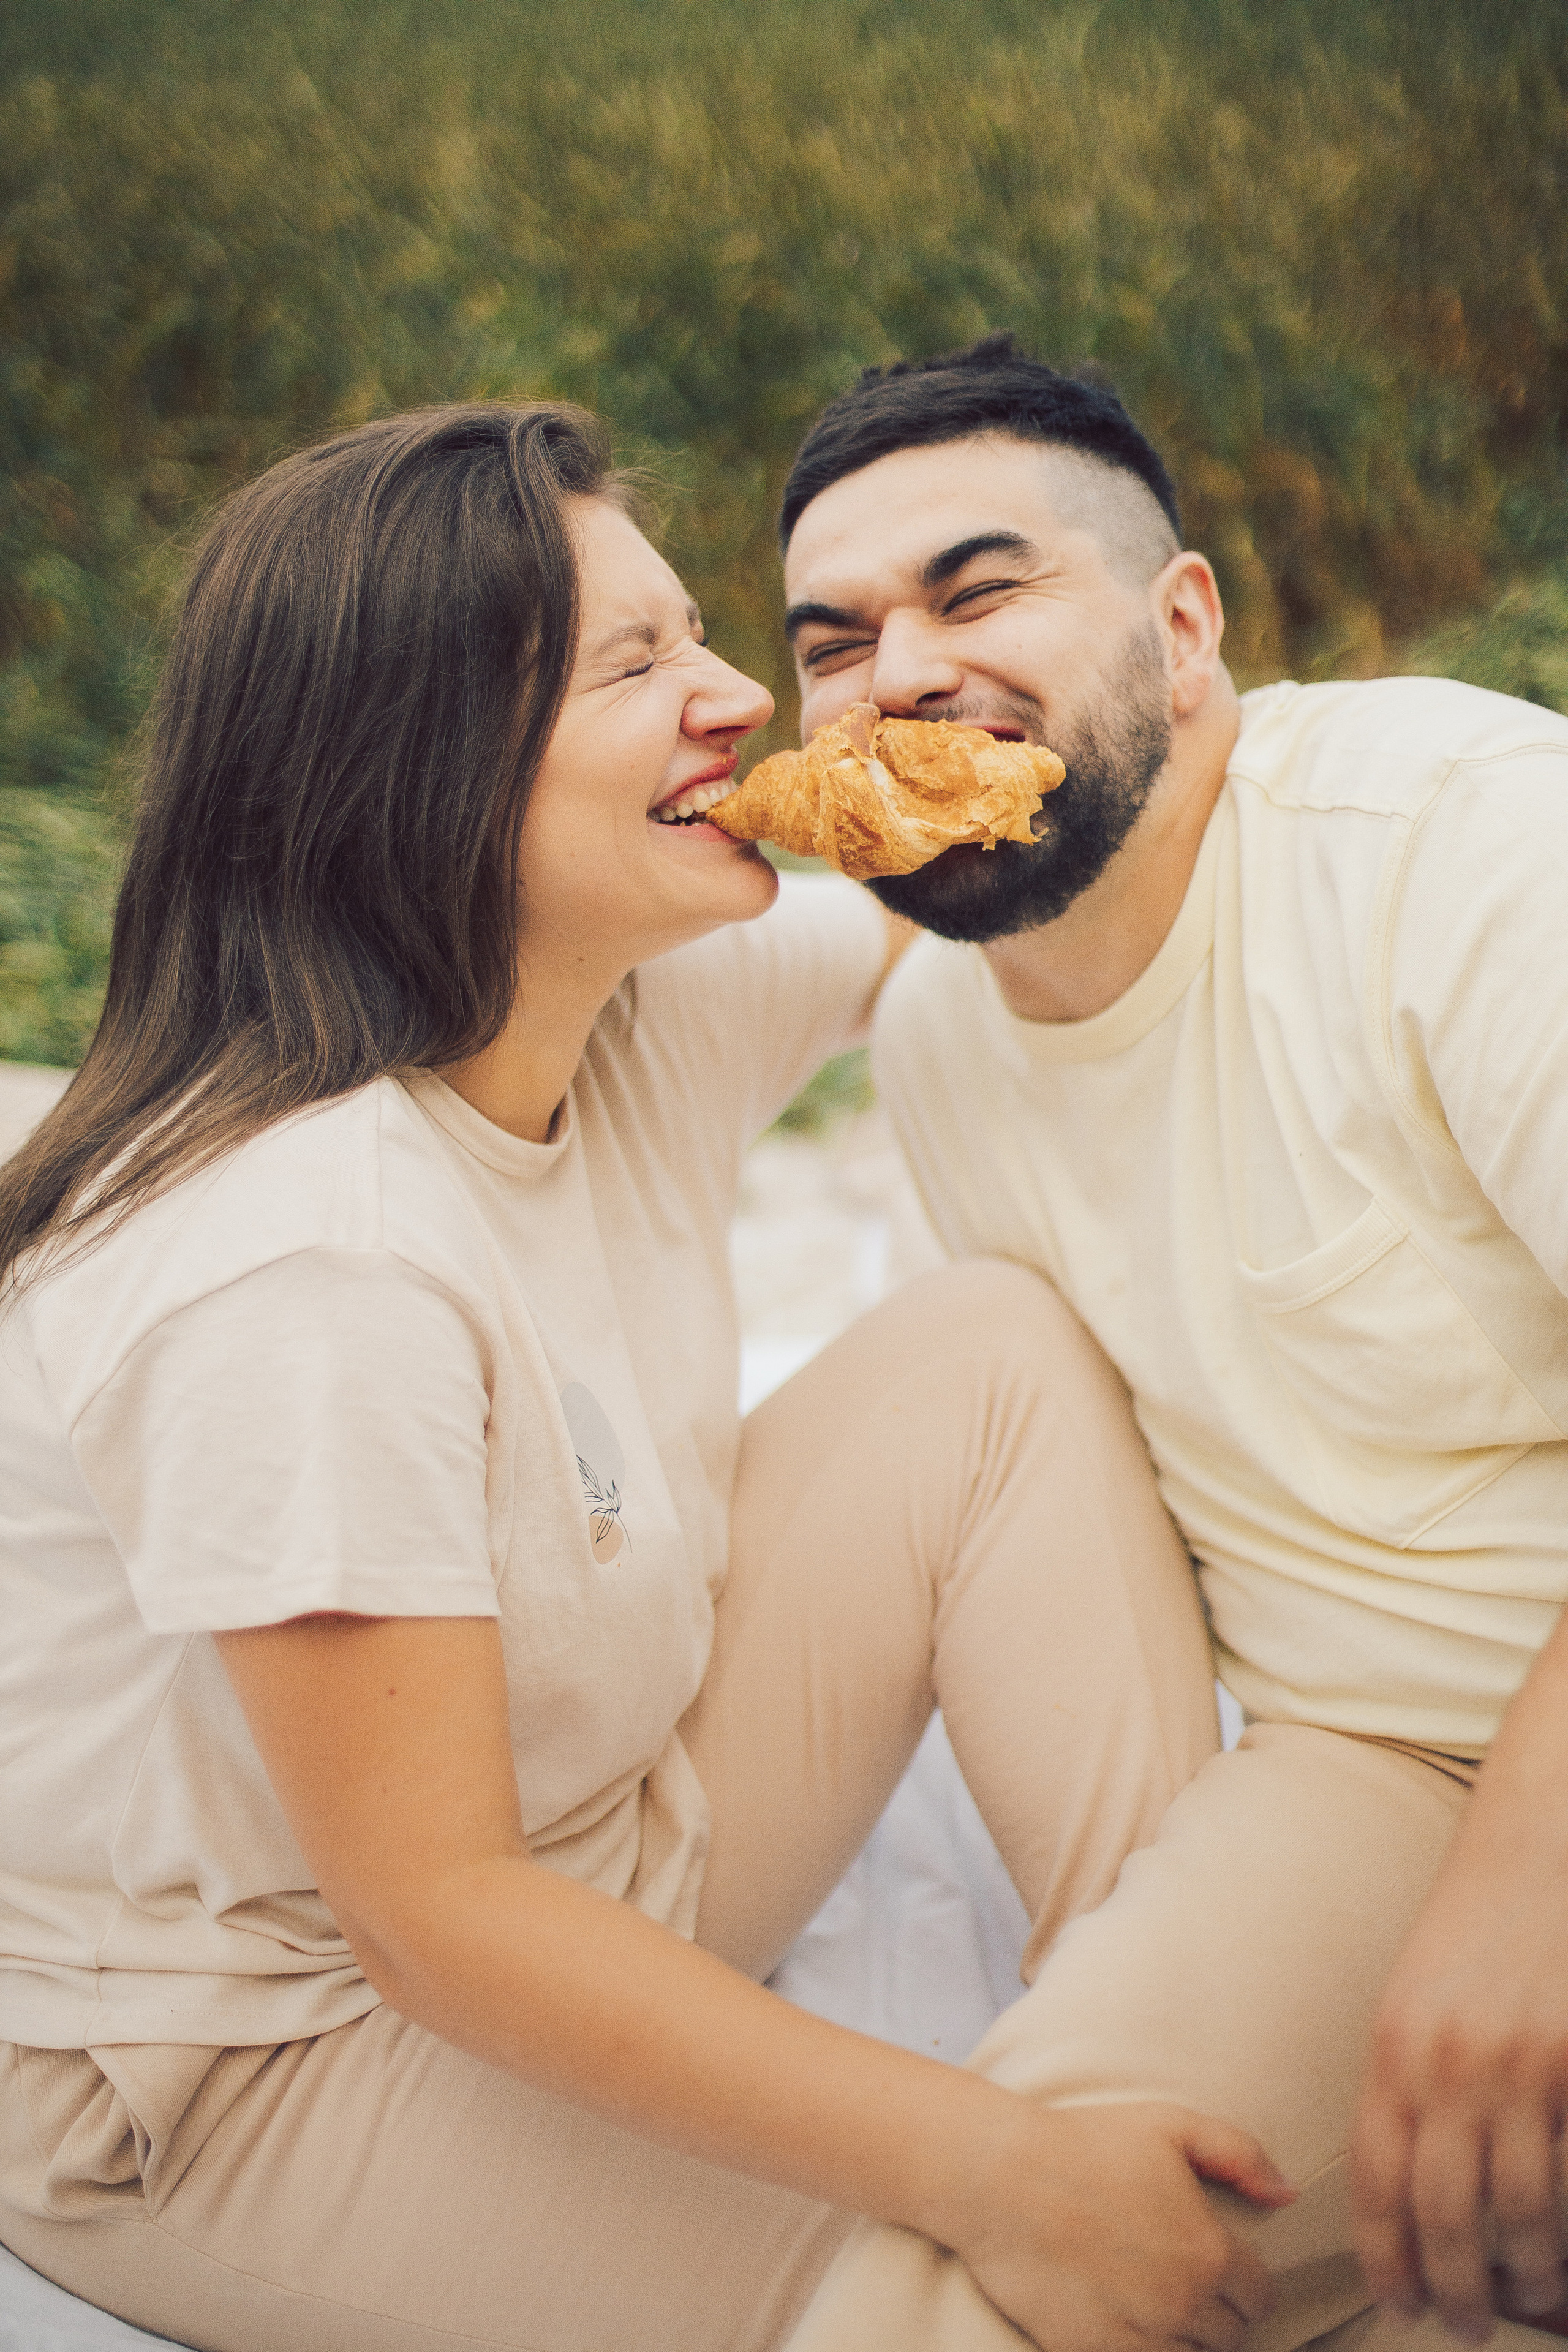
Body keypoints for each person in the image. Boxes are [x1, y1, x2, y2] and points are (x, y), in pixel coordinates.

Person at [0, 400, 1293, 2352]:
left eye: (703, 636)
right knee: (978, 2297)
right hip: (267, 2051)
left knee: (989, 1350)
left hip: (615, 1841)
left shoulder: (631, 997)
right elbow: (436, 1917)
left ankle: (1193, 2073)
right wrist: (990, 2168)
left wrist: (1164, 698)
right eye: (636, 666)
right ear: (416, 758)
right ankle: (1092, 2192)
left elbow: (993, 876)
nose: (742, 702)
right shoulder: (304, 1259)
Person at [772, 333, 1568, 2352]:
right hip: (1367, 1772)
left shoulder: (1464, 840)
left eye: (978, 591)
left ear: (1184, 627)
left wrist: (1524, 1890)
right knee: (1000, 2273)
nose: (899, 675)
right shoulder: (938, 1051)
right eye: (835, 644)